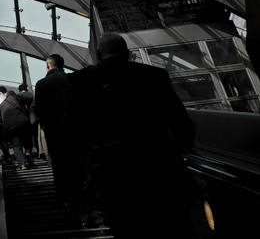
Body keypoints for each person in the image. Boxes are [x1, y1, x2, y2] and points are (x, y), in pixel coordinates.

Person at [68, 33, 204, 239]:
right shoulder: (155, 75)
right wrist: (183, 147)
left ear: (98, 54)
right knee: (174, 227)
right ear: (128, 53)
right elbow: (179, 120)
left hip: (114, 175)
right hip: (160, 168)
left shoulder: (80, 80)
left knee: (127, 228)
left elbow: (77, 132)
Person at [32, 54, 84, 213]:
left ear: (48, 66)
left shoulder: (41, 84)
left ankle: (63, 199)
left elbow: (39, 109)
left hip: (54, 133)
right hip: (74, 130)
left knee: (59, 165)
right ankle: (80, 198)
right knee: (77, 163)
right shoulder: (73, 79)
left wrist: (47, 127)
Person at [0, 89, 33, 169]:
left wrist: (0, 131)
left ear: (7, 96)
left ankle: (22, 164)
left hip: (11, 128)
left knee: (16, 146)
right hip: (23, 123)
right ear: (14, 94)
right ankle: (28, 152)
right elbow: (30, 98)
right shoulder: (19, 97)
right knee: (27, 139)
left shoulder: (2, 105)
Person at [18, 83, 37, 156]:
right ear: (26, 89)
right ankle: (39, 152)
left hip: (22, 120)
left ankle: (27, 151)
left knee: (25, 137)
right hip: (33, 119)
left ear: (19, 90)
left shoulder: (17, 97)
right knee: (35, 137)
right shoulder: (32, 95)